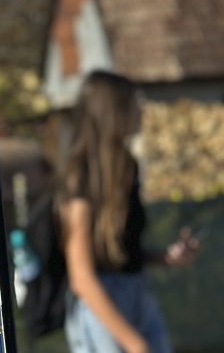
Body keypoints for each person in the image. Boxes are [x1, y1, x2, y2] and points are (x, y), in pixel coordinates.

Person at [57, 71, 199, 353]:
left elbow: (121, 250)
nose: (139, 110)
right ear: (113, 110)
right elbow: (82, 277)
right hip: (102, 309)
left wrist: (165, 257)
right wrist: (134, 343)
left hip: (138, 294)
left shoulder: (126, 167)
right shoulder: (80, 177)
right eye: (132, 102)